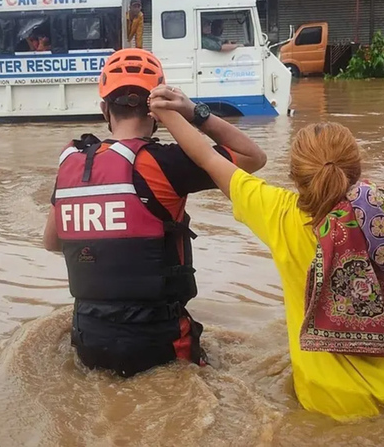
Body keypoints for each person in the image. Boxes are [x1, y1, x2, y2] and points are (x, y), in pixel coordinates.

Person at [148, 83, 384, 421]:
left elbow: (208, 159)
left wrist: (173, 111)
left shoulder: (277, 213)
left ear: (294, 175)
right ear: (357, 168)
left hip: (329, 404)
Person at [43, 48, 267, 378]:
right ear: (156, 110)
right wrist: (194, 112)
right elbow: (253, 157)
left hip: (88, 340)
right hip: (159, 343)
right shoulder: (168, 163)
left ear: (105, 108)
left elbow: (52, 242)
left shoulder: (72, 164)